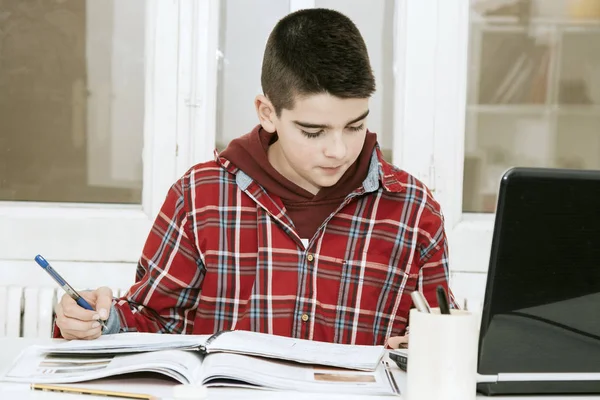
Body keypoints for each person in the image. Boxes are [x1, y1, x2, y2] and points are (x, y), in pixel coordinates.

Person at [54, 8, 456, 345]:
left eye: (355, 126)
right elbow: (154, 321)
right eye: (313, 132)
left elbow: (439, 328)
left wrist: (433, 345)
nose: (339, 150)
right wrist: (94, 320)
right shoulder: (201, 197)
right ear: (267, 113)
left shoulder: (413, 209)